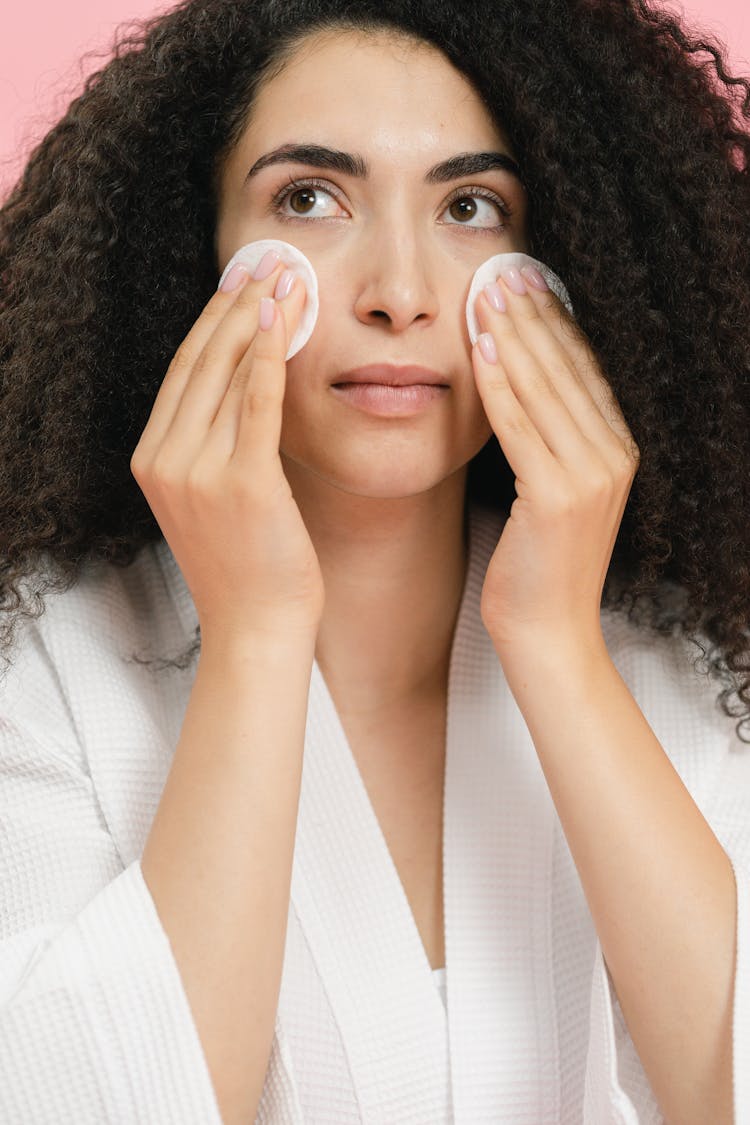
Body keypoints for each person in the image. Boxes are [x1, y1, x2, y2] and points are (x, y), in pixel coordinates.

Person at [0, 0, 748, 1120]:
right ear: (185, 250)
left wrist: (555, 645)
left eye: (470, 207)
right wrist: (254, 639)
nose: (398, 292)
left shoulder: (694, 658)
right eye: (309, 199)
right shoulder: (45, 666)